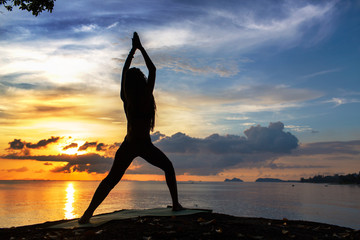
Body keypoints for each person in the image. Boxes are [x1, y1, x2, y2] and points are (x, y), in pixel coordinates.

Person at [78, 32, 183, 224]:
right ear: (141, 82)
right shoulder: (144, 97)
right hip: (142, 145)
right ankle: (175, 204)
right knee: (168, 168)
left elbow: (125, 72)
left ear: (128, 84)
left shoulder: (126, 98)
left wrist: (132, 51)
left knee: (111, 180)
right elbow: (153, 69)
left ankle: (87, 214)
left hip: (130, 144)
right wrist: (140, 47)